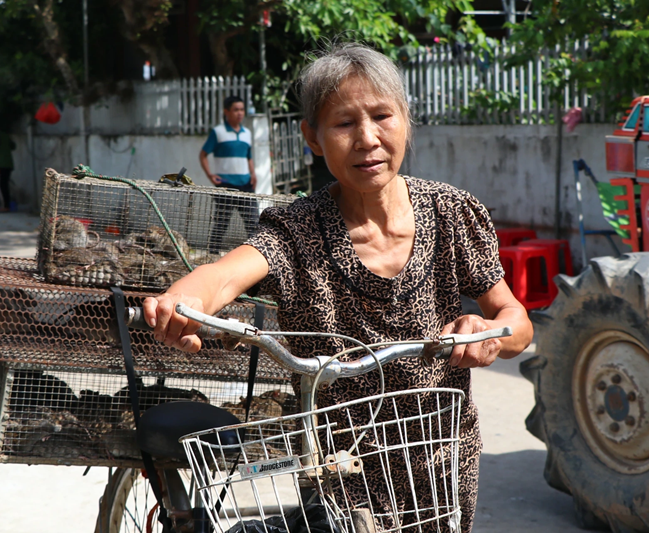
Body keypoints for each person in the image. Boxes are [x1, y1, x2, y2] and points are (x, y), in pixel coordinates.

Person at [144, 44, 533, 532]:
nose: (368, 138)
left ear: (406, 121)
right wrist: (186, 300)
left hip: (441, 463)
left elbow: (518, 323)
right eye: (344, 123)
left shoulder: (452, 213)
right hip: (339, 469)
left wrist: (490, 331)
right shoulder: (296, 229)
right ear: (312, 137)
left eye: (382, 116)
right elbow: (225, 273)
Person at [199, 95, 259, 254]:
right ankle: (212, 255)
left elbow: (249, 157)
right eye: (235, 110)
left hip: (246, 184)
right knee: (221, 223)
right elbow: (203, 155)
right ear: (226, 112)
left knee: (253, 222)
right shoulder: (218, 132)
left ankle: (256, 254)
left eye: (242, 109)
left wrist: (253, 174)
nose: (240, 113)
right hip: (225, 184)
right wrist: (210, 175)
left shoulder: (247, 133)